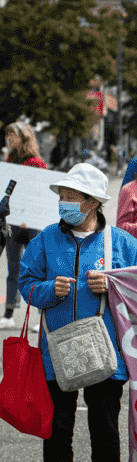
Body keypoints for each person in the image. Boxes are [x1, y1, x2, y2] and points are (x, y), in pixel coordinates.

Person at [18, 163, 137, 462]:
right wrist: (47, 291)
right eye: (61, 196)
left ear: (91, 202)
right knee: (58, 430)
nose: (63, 203)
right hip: (56, 353)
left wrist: (113, 286)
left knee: (105, 428)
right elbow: (26, 281)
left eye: (70, 197)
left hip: (107, 352)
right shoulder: (44, 240)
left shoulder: (123, 244)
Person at [1, 122, 46, 330]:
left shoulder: (36, 163)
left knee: (37, 269)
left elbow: (41, 193)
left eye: (12, 134)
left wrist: (32, 214)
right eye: (8, 134)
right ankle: (9, 313)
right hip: (13, 221)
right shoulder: (10, 160)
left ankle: (41, 316)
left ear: (24, 137)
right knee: (12, 268)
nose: (9, 138)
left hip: (32, 222)